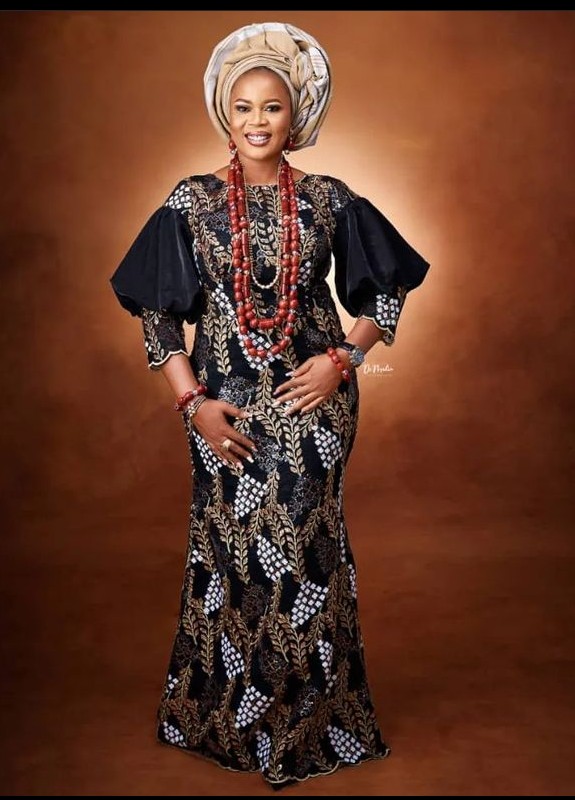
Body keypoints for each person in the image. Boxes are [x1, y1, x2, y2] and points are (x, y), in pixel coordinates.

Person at [109, 21, 429, 790]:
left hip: (314, 403)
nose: (257, 120)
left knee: (305, 554)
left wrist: (343, 360)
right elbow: (157, 313)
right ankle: (223, 720)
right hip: (219, 404)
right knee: (230, 554)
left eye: (273, 107)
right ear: (225, 114)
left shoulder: (327, 199)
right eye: (243, 106)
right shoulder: (190, 202)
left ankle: (312, 729)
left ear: (297, 115)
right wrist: (191, 402)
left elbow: (387, 287)